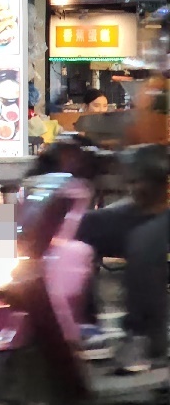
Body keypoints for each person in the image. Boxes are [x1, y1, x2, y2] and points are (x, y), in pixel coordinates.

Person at [76, 144, 169, 373]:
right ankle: (85, 324)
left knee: (144, 242)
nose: (132, 186)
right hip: (149, 207)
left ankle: (144, 336)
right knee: (81, 224)